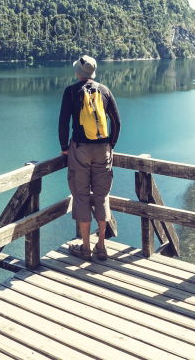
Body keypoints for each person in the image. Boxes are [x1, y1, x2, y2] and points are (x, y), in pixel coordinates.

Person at [58, 54, 121, 260]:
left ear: (78, 72)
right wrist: (110, 144)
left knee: (82, 196)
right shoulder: (104, 90)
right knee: (102, 197)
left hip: (80, 150)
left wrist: (64, 147)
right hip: (103, 149)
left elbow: (63, 123)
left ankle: (85, 247)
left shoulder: (71, 91)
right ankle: (101, 247)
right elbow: (117, 122)